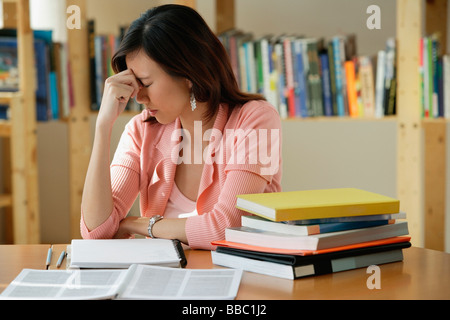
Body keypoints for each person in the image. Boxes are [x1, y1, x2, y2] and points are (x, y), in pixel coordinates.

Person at [80, 4, 282, 250]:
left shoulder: (257, 120)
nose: (138, 97)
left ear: (188, 74)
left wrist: (138, 224)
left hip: (242, 278)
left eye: (144, 82)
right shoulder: (141, 131)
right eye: (134, 84)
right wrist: (103, 127)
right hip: (166, 281)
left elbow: (227, 227)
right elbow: (95, 232)